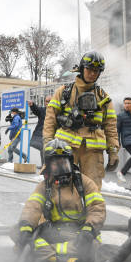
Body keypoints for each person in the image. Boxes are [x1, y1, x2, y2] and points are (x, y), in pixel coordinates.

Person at [12, 139, 105, 262]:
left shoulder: (84, 183)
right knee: (17, 231)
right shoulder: (45, 186)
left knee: (91, 247)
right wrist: (26, 228)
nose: (61, 168)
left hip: (80, 234)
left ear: (70, 162)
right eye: (56, 164)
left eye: (64, 163)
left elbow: (97, 208)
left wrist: (88, 230)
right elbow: (32, 207)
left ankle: (47, 258)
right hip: (54, 231)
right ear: (49, 166)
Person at [43, 51, 119, 190]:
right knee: (60, 188)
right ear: (82, 68)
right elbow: (50, 120)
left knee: (93, 190)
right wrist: (48, 144)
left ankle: (91, 212)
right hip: (64, 148)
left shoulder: (103, 97)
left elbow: (111, 126)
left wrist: (113, 150)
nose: (92, 73)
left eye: (96, 71)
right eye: (89, 69)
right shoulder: (64, 92)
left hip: (92, 151)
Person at [28, 97, 51, 167]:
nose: (48, 103)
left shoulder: (55, 111)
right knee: (35, 144)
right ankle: (44, 165)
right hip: (39, 134)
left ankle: (44, 166)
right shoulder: (43, 110)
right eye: (46, 101)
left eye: (49, 101)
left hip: (50, 135)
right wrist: (32, 105)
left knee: (45, 150)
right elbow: (36, 110)